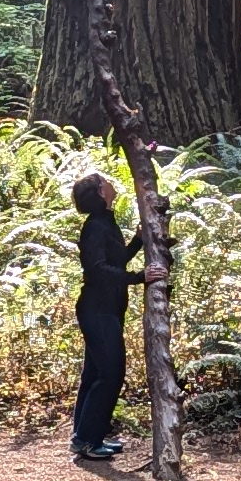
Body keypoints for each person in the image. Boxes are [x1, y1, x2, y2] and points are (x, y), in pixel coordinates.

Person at [67, 171, 143, 461]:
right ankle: (87, 439)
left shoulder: (105, 221)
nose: (111, 184)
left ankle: (85, 437)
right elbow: (97, 269)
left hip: (108, 308)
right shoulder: (95, 226)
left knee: (96, 373)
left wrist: (138, 241)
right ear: (100, 192)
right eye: (106, 182)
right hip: (97, 309)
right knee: (111, 373)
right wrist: (139, 278)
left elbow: (117, 259)